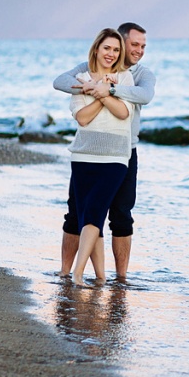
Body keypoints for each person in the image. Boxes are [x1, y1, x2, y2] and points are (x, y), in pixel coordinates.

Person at [53, 22, 155, 282]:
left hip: (124, 151)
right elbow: (61, 82)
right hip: (87, 152)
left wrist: (108, 89)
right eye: (134, 44)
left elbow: (144, 96)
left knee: (121, 215)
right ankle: (67, 272)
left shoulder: (139, 74)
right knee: (77, 213)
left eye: (143, 46)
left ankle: (120, 278)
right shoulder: (89, 68)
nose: (139, 50)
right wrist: (92, 84)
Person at [63, 28, 134, 286]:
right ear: (96, 49)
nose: (111, 54)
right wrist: (101, 92)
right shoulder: (80, 79)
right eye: (107, 48)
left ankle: (78, 273)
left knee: (94, 211)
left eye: (116, 50)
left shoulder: (124, 79)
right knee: (87, 216)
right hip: (83, 156)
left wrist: (103, 91)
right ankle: (101, 276)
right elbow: (82, 118)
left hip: (115, 158)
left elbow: (123, 112)